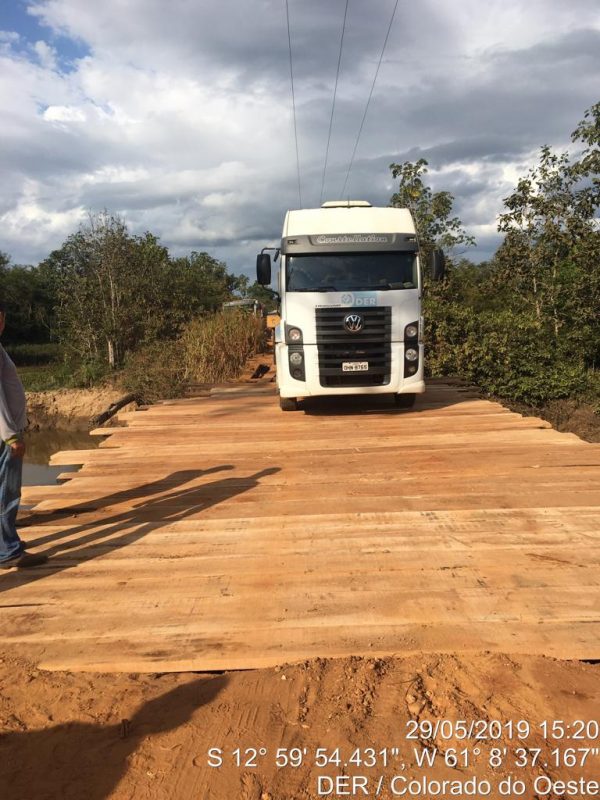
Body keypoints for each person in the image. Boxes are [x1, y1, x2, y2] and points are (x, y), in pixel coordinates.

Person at [0, 303, 48, 569]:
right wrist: (11, 436)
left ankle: (5, 541)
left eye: (1, 317)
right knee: (6, 493)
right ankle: (7, 550)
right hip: (4, 436)